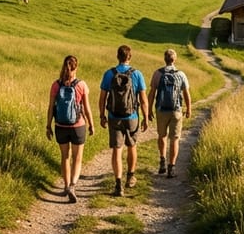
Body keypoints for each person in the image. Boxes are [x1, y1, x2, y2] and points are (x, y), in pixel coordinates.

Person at [98, 45, 148, 197]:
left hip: (114, 117)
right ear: (129, 57)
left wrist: (102, 115)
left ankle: (118, 184)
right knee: (132, 146)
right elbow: (143, 99)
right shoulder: (137, 74)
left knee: (117, 150)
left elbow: (102, 98)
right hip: (132, 116)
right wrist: (145, 117)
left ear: (117, 56)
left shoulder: (109, 74)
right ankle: (131, 176)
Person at [46, 55, 94, 203]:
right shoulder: (81, 85)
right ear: (76, 67)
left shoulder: (56, 85)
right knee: (77, 158)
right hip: (77, 126)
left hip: (60, 125)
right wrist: (91, 124)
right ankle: (73, 185)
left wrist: (48, 125)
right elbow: (86, 108)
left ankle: (66, 186)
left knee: (65, 157)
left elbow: (50, 108)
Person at [147, 48, 192, 178]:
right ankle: (171, 168)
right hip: (176, 110)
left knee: (162, 136)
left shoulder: (157, 74)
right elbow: (186, 94)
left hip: (161, 109)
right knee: (175, 139)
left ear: (164, 59)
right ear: (174, 59)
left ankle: (162, 160)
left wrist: (149, 109)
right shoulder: (181, 74)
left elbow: (152, 94)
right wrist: (188, 109)